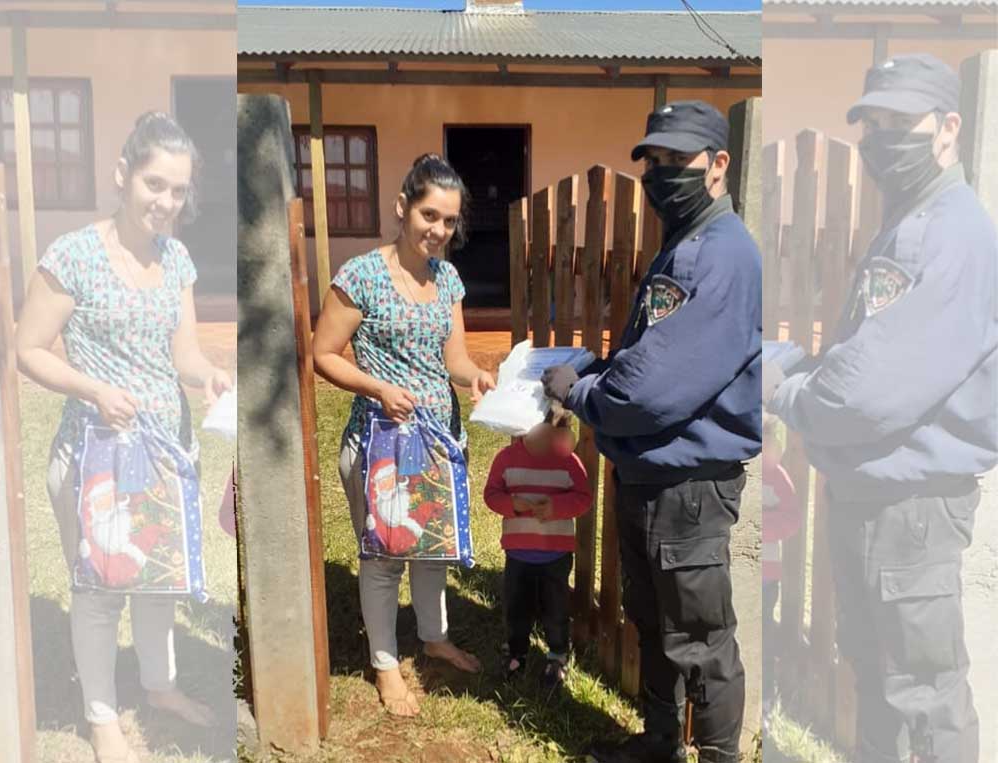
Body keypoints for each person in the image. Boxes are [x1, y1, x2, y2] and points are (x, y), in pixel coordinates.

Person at [763, 53, 997, 763]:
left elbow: (859, 394)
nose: (881, 139)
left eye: (902, 122)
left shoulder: (943, 233)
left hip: (911, 511)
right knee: (881, 681)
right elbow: (865, 354)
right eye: (873, 123)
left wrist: (788, 388)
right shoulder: (914, 220)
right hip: (884, 503)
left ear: (948, 127)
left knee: (921, 696)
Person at [543, 100, 762, 763]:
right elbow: (651, 356)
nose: (662, 174)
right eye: (655, 161)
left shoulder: (716, 255)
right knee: (656, 624)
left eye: (677, 161)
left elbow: (648, 392)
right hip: (653, 479)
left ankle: (718, 755)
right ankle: (661, 742)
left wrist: (579, 390)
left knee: (699, 638)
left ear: (718, 165)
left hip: (687, 488)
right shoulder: (686, 245)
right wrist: (593, 366)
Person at [15, 112, 233, 763]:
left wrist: (208, 376)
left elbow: (184, 352)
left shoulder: (177, 259)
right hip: (97, 457)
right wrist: (93, 389)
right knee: (102, 583)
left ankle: (158, 685)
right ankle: (101, 714)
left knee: (157, 576)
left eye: (177, 190)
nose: (165, 201)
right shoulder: (74, 255)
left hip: (166, 453)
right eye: (154, 183)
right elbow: (28, 349)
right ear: (122, 174)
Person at [312, 153, 497, 717]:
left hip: (439, 441)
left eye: (449, 221)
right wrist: (377, 388)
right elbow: (323, 354)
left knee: (431, 548)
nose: (438, 231)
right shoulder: (361, 275)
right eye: (429, 215)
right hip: (382, 444)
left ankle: (434, 637)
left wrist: (476, 377)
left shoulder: (448, 279)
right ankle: (386, 664)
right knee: (386, 556)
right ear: (402, 207)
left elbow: (455, 357)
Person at [483, 406, 592, 688]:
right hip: (518, 553)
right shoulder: (506, 460)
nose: (547, 445)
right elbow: (492, 495)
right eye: (541, 437)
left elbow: (583, 499)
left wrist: (556, 507)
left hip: (555, 555)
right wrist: (512, 505)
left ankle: (557, 654)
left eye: (554, 437)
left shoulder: (568, 462)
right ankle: (516, 650)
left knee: (555, 609)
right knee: (517, 607)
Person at [759, 414, 798, 718]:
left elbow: (792, 519)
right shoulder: (750, 476)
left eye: (773, 446)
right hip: (748, 571)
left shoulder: (780, 479)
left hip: (768, 575)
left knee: (766, 634)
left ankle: (767, 696)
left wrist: (762, 526)